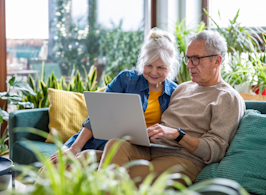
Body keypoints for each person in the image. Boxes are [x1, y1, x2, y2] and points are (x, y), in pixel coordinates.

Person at [94, 30, 246, 187]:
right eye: (188, 58)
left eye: (196, 59)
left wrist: (177, 135)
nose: (189, 65)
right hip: (152, 149)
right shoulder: (182, 88)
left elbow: (215, 151)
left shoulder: (228, 97)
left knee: (116, 176)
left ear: (217, 61)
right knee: (90, 155)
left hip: (184, 159)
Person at [46, 28, 180, 164]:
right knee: (52, 167)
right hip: (101, 142)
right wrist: (74, 148)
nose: (153, 72)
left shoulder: (175, 93)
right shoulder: (126, 79)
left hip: (134, 150)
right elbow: (97, 116)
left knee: (77, 164)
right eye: (148, 65)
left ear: (170, 67)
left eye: (161, 67)